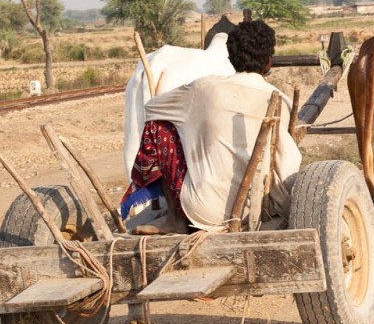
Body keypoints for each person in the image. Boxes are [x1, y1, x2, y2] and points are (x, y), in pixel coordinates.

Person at [121, 20, 301, 233]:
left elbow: (152, 110)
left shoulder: (202, 89)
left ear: (230, 58)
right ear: (269, 62)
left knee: (157, 127)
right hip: (260, 209)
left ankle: (174, 218)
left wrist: (193, 132)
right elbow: (290, 162)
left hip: (203, 210)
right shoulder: (279, 99)